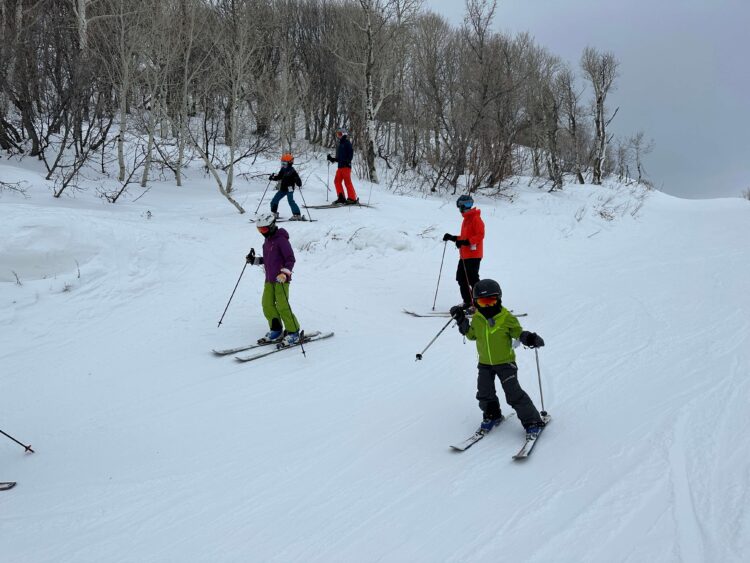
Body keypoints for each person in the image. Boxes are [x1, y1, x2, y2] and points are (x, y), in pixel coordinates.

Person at [449, 279, 546, 438]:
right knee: (484, 393)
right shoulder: (478, 318)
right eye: (483, 302)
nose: (487, 305)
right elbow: (472, 335)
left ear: (498, 299)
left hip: (505, 363)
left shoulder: (507, 317)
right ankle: (492, 415)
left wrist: (528, 338)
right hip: (485, 364)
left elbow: (517, 332)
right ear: (476, 302)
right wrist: (462, 320)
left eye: (491, 301)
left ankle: (533, 421)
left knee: (514, 394)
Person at [245, 212, 302, 346]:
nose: (261, 232)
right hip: (269, 279)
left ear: (271, 226)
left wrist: (285, 273)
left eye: (263, 229)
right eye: (259, 229)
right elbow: (269, 260)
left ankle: (293, 332)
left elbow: (290, 259)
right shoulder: (267, 241)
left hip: (281, 280)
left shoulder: (281, 240)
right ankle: (276, 329)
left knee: (282, 305)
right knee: (267, 304)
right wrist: (254, 260)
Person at [442, 194, 484, 309]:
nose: (459, 209)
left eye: (460, 206)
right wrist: (453, 237)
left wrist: (465, 242)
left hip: (473, 255)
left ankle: (479, 304)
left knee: (472, 279)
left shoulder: (475, 218)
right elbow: (465, 237)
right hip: (465, 255)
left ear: (463, 206)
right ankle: (468, 302)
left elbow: (480, 235)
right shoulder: (467, 219)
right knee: (461, 278)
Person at [326, 127, 358, 204]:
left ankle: (352, 198)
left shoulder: (347, 143)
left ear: (344, 134)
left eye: (340, 134)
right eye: (338, 134)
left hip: (346, 167)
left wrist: (347, 161)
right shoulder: (340, 144)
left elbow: (350, 154)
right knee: (337, 181)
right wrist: (332, 159)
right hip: (340, 167)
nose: (338, 135)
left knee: (347, 182)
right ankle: (341, 197)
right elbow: (339, 158)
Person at [269, 153, 304, 220]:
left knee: (290, 201)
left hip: (290, 189)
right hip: (283, 188)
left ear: (289, 163)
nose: (283, 164)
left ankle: (297, 215)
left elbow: (298, 180)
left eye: (284, 163)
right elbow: (279, 177)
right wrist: (273, 177)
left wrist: (298, 181)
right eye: (282, 163)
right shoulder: (283, 169)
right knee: (274, 200)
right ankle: (274, 213)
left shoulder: (292, 171)